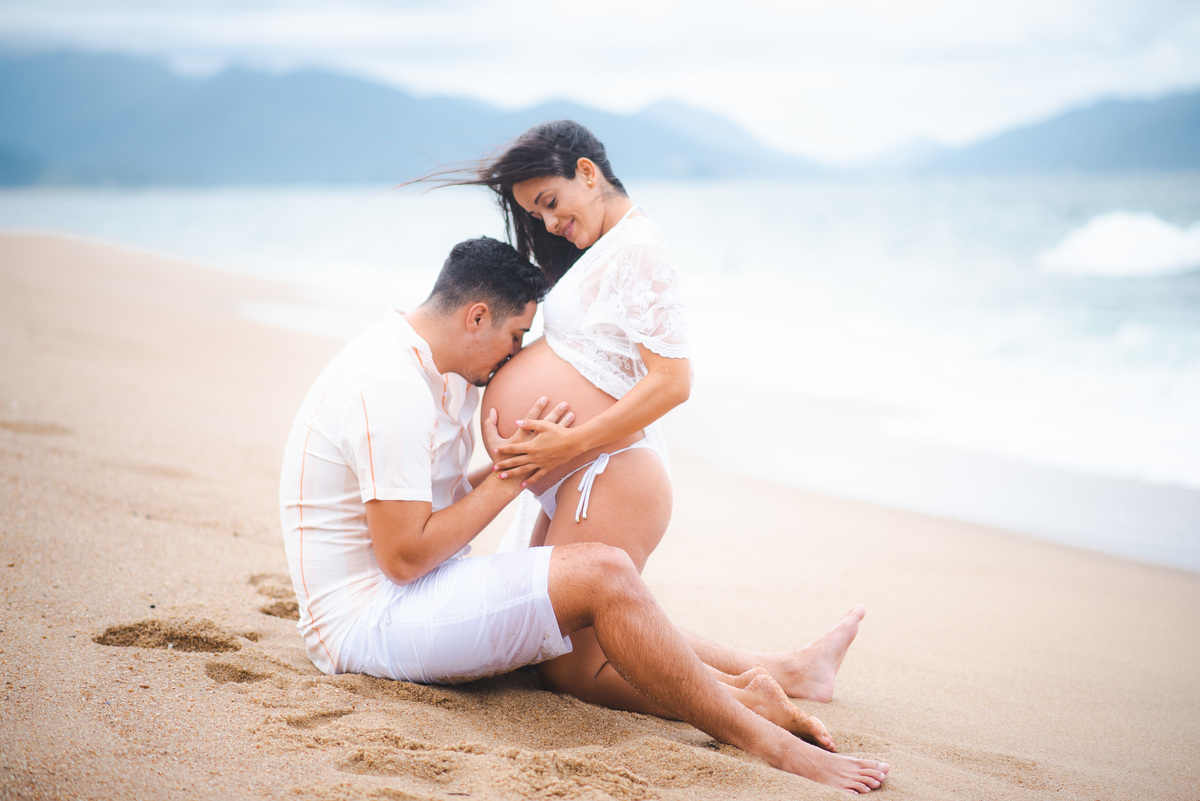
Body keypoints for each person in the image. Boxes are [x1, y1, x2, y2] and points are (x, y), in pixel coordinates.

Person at [278, 237, 890, 793]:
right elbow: (405, 556)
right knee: (604, 574)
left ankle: (773, 676)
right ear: (476, 317)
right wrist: (518, 477)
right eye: (516, 338)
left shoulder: (419, 366)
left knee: (591, 594)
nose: (510, 357)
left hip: (400, 593)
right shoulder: (389, 390)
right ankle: (767, 739)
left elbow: (419, 502)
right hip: (368, 621)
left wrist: (516, 464)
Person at [428, 120, 858, 733]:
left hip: (603, 469)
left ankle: (750, 701)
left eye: (550, 203)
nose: (548, 224)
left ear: (587, 172)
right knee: (562, 632)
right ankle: (788, 672)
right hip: (574, 474)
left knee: (573, 669)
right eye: (534, 213)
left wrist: (566, 443)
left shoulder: (640, 249)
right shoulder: (605, 248)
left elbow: (673, 381)